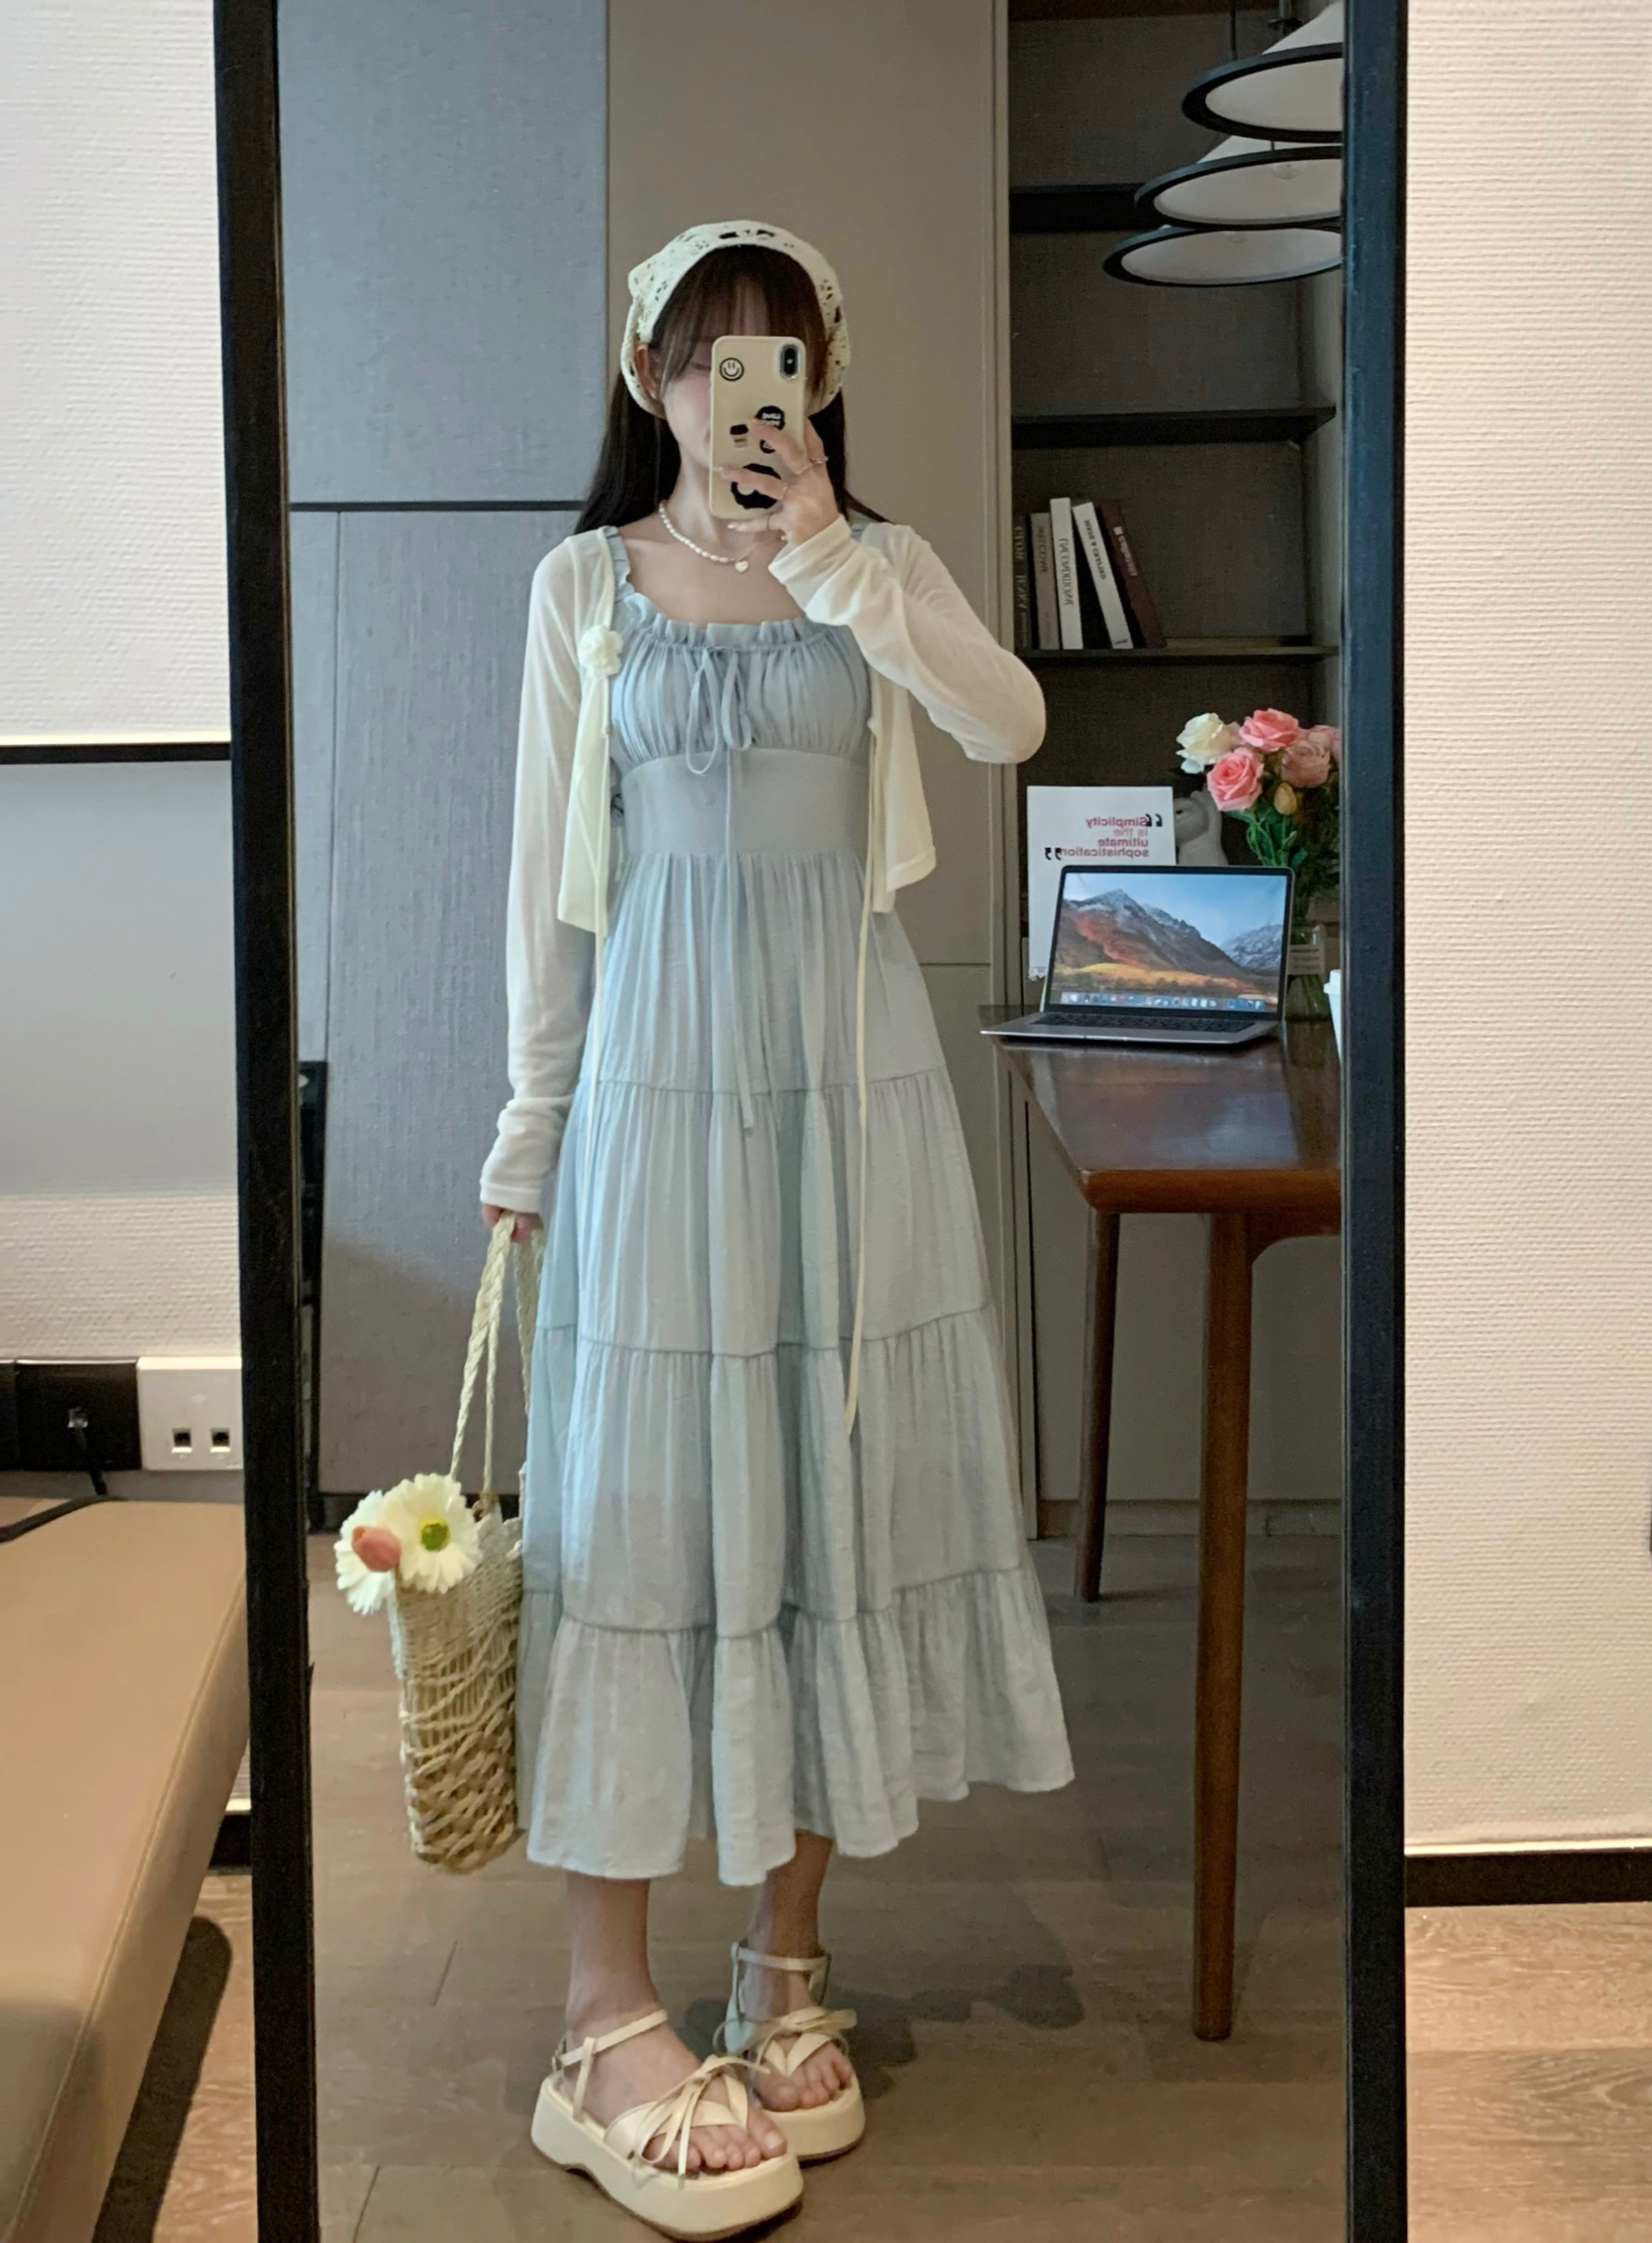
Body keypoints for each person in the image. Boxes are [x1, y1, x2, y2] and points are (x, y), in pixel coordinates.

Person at [477, 219, 1075, 2234]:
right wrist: (531, 1128)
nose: (740, 390)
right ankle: (602, 2016)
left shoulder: (871, 564)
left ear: (822, 379)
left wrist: (831, 553)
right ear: (644, 373)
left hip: (846, 1076)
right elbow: (549, 892)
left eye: (779, 357)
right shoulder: (582, 589)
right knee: (642, 1514)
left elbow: (1011, 723)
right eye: (705, 356)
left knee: (831, 1493)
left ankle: (781, 1959)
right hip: (658, 1086)